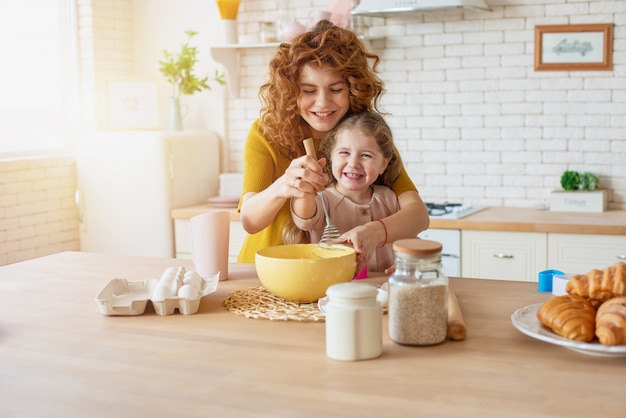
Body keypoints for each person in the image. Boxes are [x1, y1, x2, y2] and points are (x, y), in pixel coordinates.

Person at [237, 20, 429, 268]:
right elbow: (250, 222)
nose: (322, 103)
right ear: (291, 90)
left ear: (353, 89)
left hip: (335, 275)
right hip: (267, 270)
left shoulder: (365, 136)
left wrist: (375, 231)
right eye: (308, 90)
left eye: (336, 89)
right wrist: (283, 186)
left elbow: (418, 215)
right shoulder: (266, 133)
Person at [290, 112, 401, 273]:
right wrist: (307, 190)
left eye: (366, 155)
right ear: (331, 157)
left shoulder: (388, 198)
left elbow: (406, 240)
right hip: (331, 290)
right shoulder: (322, 199)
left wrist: (405, 263)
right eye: (344, 153)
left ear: (383, 164)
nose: (353, 163)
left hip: (381, 290)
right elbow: (304, 218)